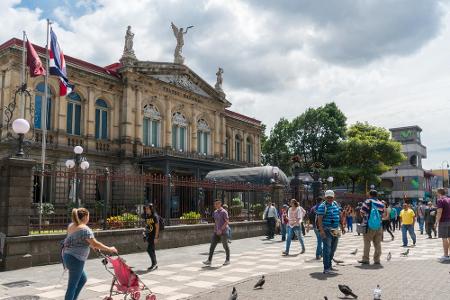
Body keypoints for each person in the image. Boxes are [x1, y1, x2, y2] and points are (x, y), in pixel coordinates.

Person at [62, 208, 117, 300]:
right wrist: (109, 249)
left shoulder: (71, 226)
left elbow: (78, 240)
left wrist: (92, 246)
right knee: (72, 285)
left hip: (67, 256)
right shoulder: (85, 229)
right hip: (76, 259)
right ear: (85, 217)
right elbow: (95, 243)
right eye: (88, 216)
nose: (89, 218)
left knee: (82, 279)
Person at [316, 190, 345, 274]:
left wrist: (342, 227)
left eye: (331, 197)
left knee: (333, 248)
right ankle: (326, 268)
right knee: (327, 249)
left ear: (333, 197)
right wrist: (321, 231)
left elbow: (339, 216)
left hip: (336, 229)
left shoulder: (335, 204)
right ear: (325, 197)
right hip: (327, 229)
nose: (329, 199)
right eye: (328, 197)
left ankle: (330, 265)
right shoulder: (322, 206)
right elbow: (319, 219)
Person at [358, 190, 385, 265]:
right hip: (379, 226)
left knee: (367, 242)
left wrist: (365, 218)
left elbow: (362, 212)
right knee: (377, 243)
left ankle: (366, 259)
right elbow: (382, 214)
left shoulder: (368, 201)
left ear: (370, 195)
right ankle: (377, 260)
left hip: (369, 226)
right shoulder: (381, 203)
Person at [203, 200, 230, 266]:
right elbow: (216, 222)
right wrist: (215, 230)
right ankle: (209, 260)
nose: (215, 205)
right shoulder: (215, 212)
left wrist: (220, 229)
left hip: (224, 232)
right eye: (214, 204)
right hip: (216, 232)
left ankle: (227, 260)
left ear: (220, 204)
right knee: (212, 246)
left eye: (216, 204)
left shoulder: (224, 212)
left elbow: (227, 222)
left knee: (225, 245)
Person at [143, 204, 160, 271]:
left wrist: (156, 237)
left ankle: (154, 263)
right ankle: (155, 264)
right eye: (146, 209)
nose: (146, 210)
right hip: (149, 235)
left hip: (153, 235)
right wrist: (144, 232)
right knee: (151, 250)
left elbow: (157, 227)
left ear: (151, 209)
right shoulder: (147, 216)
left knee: (149, 249)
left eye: (148, 209)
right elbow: (147, 226)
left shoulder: (154, 216)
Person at [435, 188, 450, 262]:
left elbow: (439, 212)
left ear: (439, 193)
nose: (436, 194)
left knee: (444, 239)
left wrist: (436, 222)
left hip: (444, 222)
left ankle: (446, 255)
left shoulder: (440, 200)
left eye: (437, 193)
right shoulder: (449, 199)